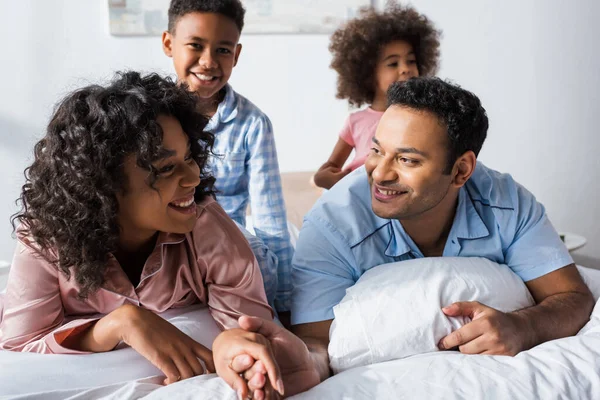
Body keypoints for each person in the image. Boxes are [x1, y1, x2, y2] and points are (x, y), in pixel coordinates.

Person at [214, 77, 595, 399]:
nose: (380, 173)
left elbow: (574, 298)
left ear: (461, 170)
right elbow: (317, 343)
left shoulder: (507, 204)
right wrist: (298, 363)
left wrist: (523, 327)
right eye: (376, 150)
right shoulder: (332, 225)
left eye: (407, 160)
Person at [0, 71, 277, 388]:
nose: (194, 177)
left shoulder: (205, 223)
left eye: (189, 157)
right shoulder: (45, 237)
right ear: (103, 185)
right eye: (167, 168)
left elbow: (249, 329)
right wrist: (120, 323)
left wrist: (237, 350)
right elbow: (19, 346)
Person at [162, 0, 294, 314]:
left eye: (223, 50)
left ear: (236, 54)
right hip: (163, 248)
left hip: (225, 256)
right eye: (195, 45)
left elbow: (270, 221)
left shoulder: (253, 125)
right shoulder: (149, 117)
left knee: (255, 250)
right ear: (169, 44)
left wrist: (286, 305)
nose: (208, 62)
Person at [313, 3, 441, 189]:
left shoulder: (423, 119)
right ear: (368, 74)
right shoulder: (355, 122)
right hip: (358, 196)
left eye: (411, 61)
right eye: (393, 64)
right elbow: (328, 169)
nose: (405, 69)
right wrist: (325, 179)